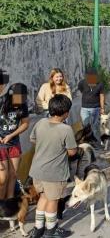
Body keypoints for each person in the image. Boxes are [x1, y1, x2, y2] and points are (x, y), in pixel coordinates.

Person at [28, 94, 76, 238]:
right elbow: (72, 152)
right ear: (66, 113)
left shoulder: (40, 122)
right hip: (54, 173)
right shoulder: (65, 129)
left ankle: (38, 229)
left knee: (43, 197)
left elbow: (33, 140)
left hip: (37, 171)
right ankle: (50, 230)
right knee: (53, 201)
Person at [0, 83, 30, 199]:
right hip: (1, 145)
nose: (19, 102)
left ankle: (9, 202)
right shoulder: (2, 102)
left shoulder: (23, 105)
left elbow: (25, 123)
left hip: (14, 144)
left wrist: (12, 135)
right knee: (3, 178)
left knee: (13, 175)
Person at [78, 67, 105, 147]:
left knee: (95, 127)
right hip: (84, 108)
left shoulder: (100, 84)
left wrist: (102, 108)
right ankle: (87, 143)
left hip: (96, 108)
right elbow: (81, 90)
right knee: (86, 126)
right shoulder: (82, 83)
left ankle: (96, 144)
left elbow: (102, 96)